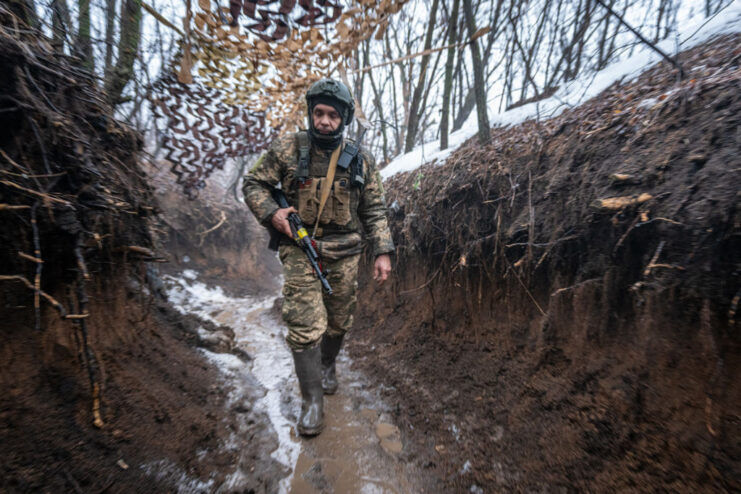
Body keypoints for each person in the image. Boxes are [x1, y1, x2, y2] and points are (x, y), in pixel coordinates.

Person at [242, 78, 394, 436]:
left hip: (345, 253)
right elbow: (254, 184)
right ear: (311, 113)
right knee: (305, 323)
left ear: (344, 119)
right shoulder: (289, 148)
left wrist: (383, 250)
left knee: (339, 321)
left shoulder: (361, 159)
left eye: (332, 116)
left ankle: (327, 365)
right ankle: (312, 402)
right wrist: (273, 214)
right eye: (318, 113)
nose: (324, 121)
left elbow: (374, 208)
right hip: (299, 248)